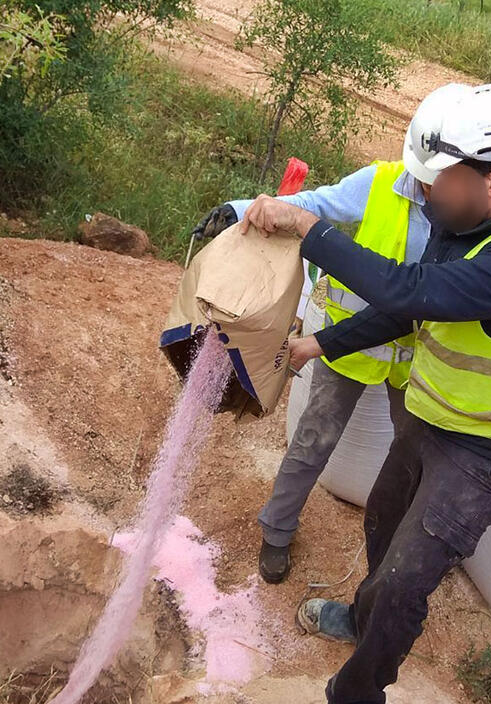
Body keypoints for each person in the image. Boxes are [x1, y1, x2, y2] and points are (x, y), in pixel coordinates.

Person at [239, 83, 491, 704]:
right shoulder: (469, 230)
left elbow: (405, 290)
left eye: (437, 178)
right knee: (383, 521)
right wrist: (321, 344)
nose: (423, 191)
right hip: (436, 418)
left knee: (404, 580)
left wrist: (312, 228)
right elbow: (413, 311)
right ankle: (364, 621)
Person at [191, 83, 470, 584]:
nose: (428, 189)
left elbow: (414, 303)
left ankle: (406, 557)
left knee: (413, 460)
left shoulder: (469, 220)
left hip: (413, 362)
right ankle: (276, 531)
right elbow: (311, 205)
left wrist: (316, 343)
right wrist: (239, 209)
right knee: (312, 441)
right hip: (348, 352)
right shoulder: (382, 182)